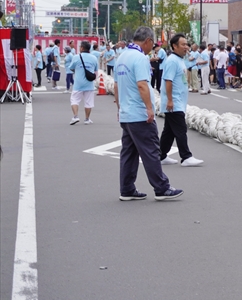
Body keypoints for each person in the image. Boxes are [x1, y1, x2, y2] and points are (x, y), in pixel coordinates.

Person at [114, 27, 184, 200]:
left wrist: (119, 107)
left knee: (129, 153)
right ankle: (161, 187)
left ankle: (127, 188)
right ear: (148, 41)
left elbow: (116, 85)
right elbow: (142, 85)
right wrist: (149, 108)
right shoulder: (140, 58)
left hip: (126, 112)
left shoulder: (122, 56)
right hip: (139, 113)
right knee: (151, 150)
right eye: (152, 44)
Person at [158, 34, 204, 167]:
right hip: (174, 101)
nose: (186, 47)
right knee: (180, 129)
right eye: (183, 44)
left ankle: (161, 155)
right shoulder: (172, 60)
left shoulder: (179, 60)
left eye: (187, 44)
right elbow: (168, 80)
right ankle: (186, 156)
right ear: (174, 46)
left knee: (169, 131)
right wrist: (170, 100)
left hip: (178, 100)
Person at [67, 41, 98, 125]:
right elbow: (96, 71)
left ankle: (75, 116)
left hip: (78, 83)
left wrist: (77, 70)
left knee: (74, 100)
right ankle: (87, 119)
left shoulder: (76, 57)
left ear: (82, 48)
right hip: (89, 83)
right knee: (88, 102)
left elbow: (71, 68)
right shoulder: (94, 58)